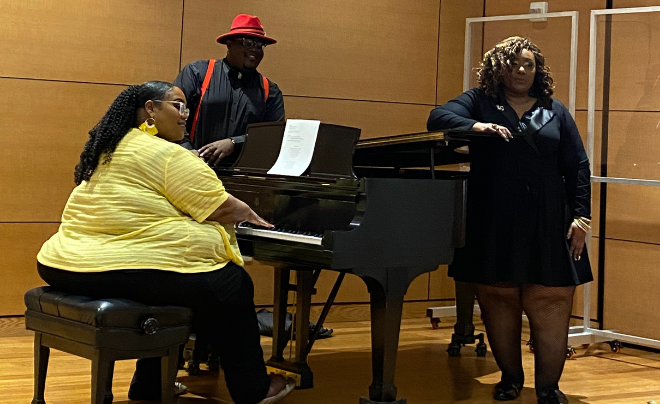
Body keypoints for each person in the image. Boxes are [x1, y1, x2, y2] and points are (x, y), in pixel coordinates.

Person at [36, 81, 295, 404]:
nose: (185, 115)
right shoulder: (166, 153)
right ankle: (253, 389)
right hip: (106, 265)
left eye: (186, 107)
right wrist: (261, 220)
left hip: (62, 264)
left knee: (179, 280)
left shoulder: (113, 147)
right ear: (150, 109)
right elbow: (222, 207)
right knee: (230, 284)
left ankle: (150, 383)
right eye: (178, 105)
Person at [427, 37, 592, 404]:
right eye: (513, 63)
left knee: (550, 297)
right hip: (493, 212)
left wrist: (582, 217)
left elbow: (578, 165)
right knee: (498, 296)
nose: (521, 69)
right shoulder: (479, 101)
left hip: (549, 216)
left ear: (538, 71)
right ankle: (510, 380)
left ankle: (549, 387)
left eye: (529, 64)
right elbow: (437, 118)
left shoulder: (555, 110)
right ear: (498, 68)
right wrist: (479, 127)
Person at [174, 14, 285, 167]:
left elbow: (272, 136)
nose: (255, 50)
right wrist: (188, 153)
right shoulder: (198, 73)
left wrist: (234, 142)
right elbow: (172, 117)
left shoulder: (270, 91)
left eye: (260, 45)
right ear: (229, 43)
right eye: (248, 43)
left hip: (241, 178)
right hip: (192, 169)